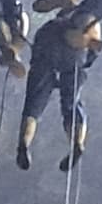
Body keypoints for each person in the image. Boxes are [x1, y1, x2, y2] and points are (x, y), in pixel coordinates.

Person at [14, 21, 95, 171]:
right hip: (75, 55)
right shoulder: (85, 23)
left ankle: (23, 144)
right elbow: (93, 50)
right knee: (72, 105)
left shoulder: (51, 25)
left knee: (33, 107)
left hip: (45, 47)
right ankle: (78, 143)